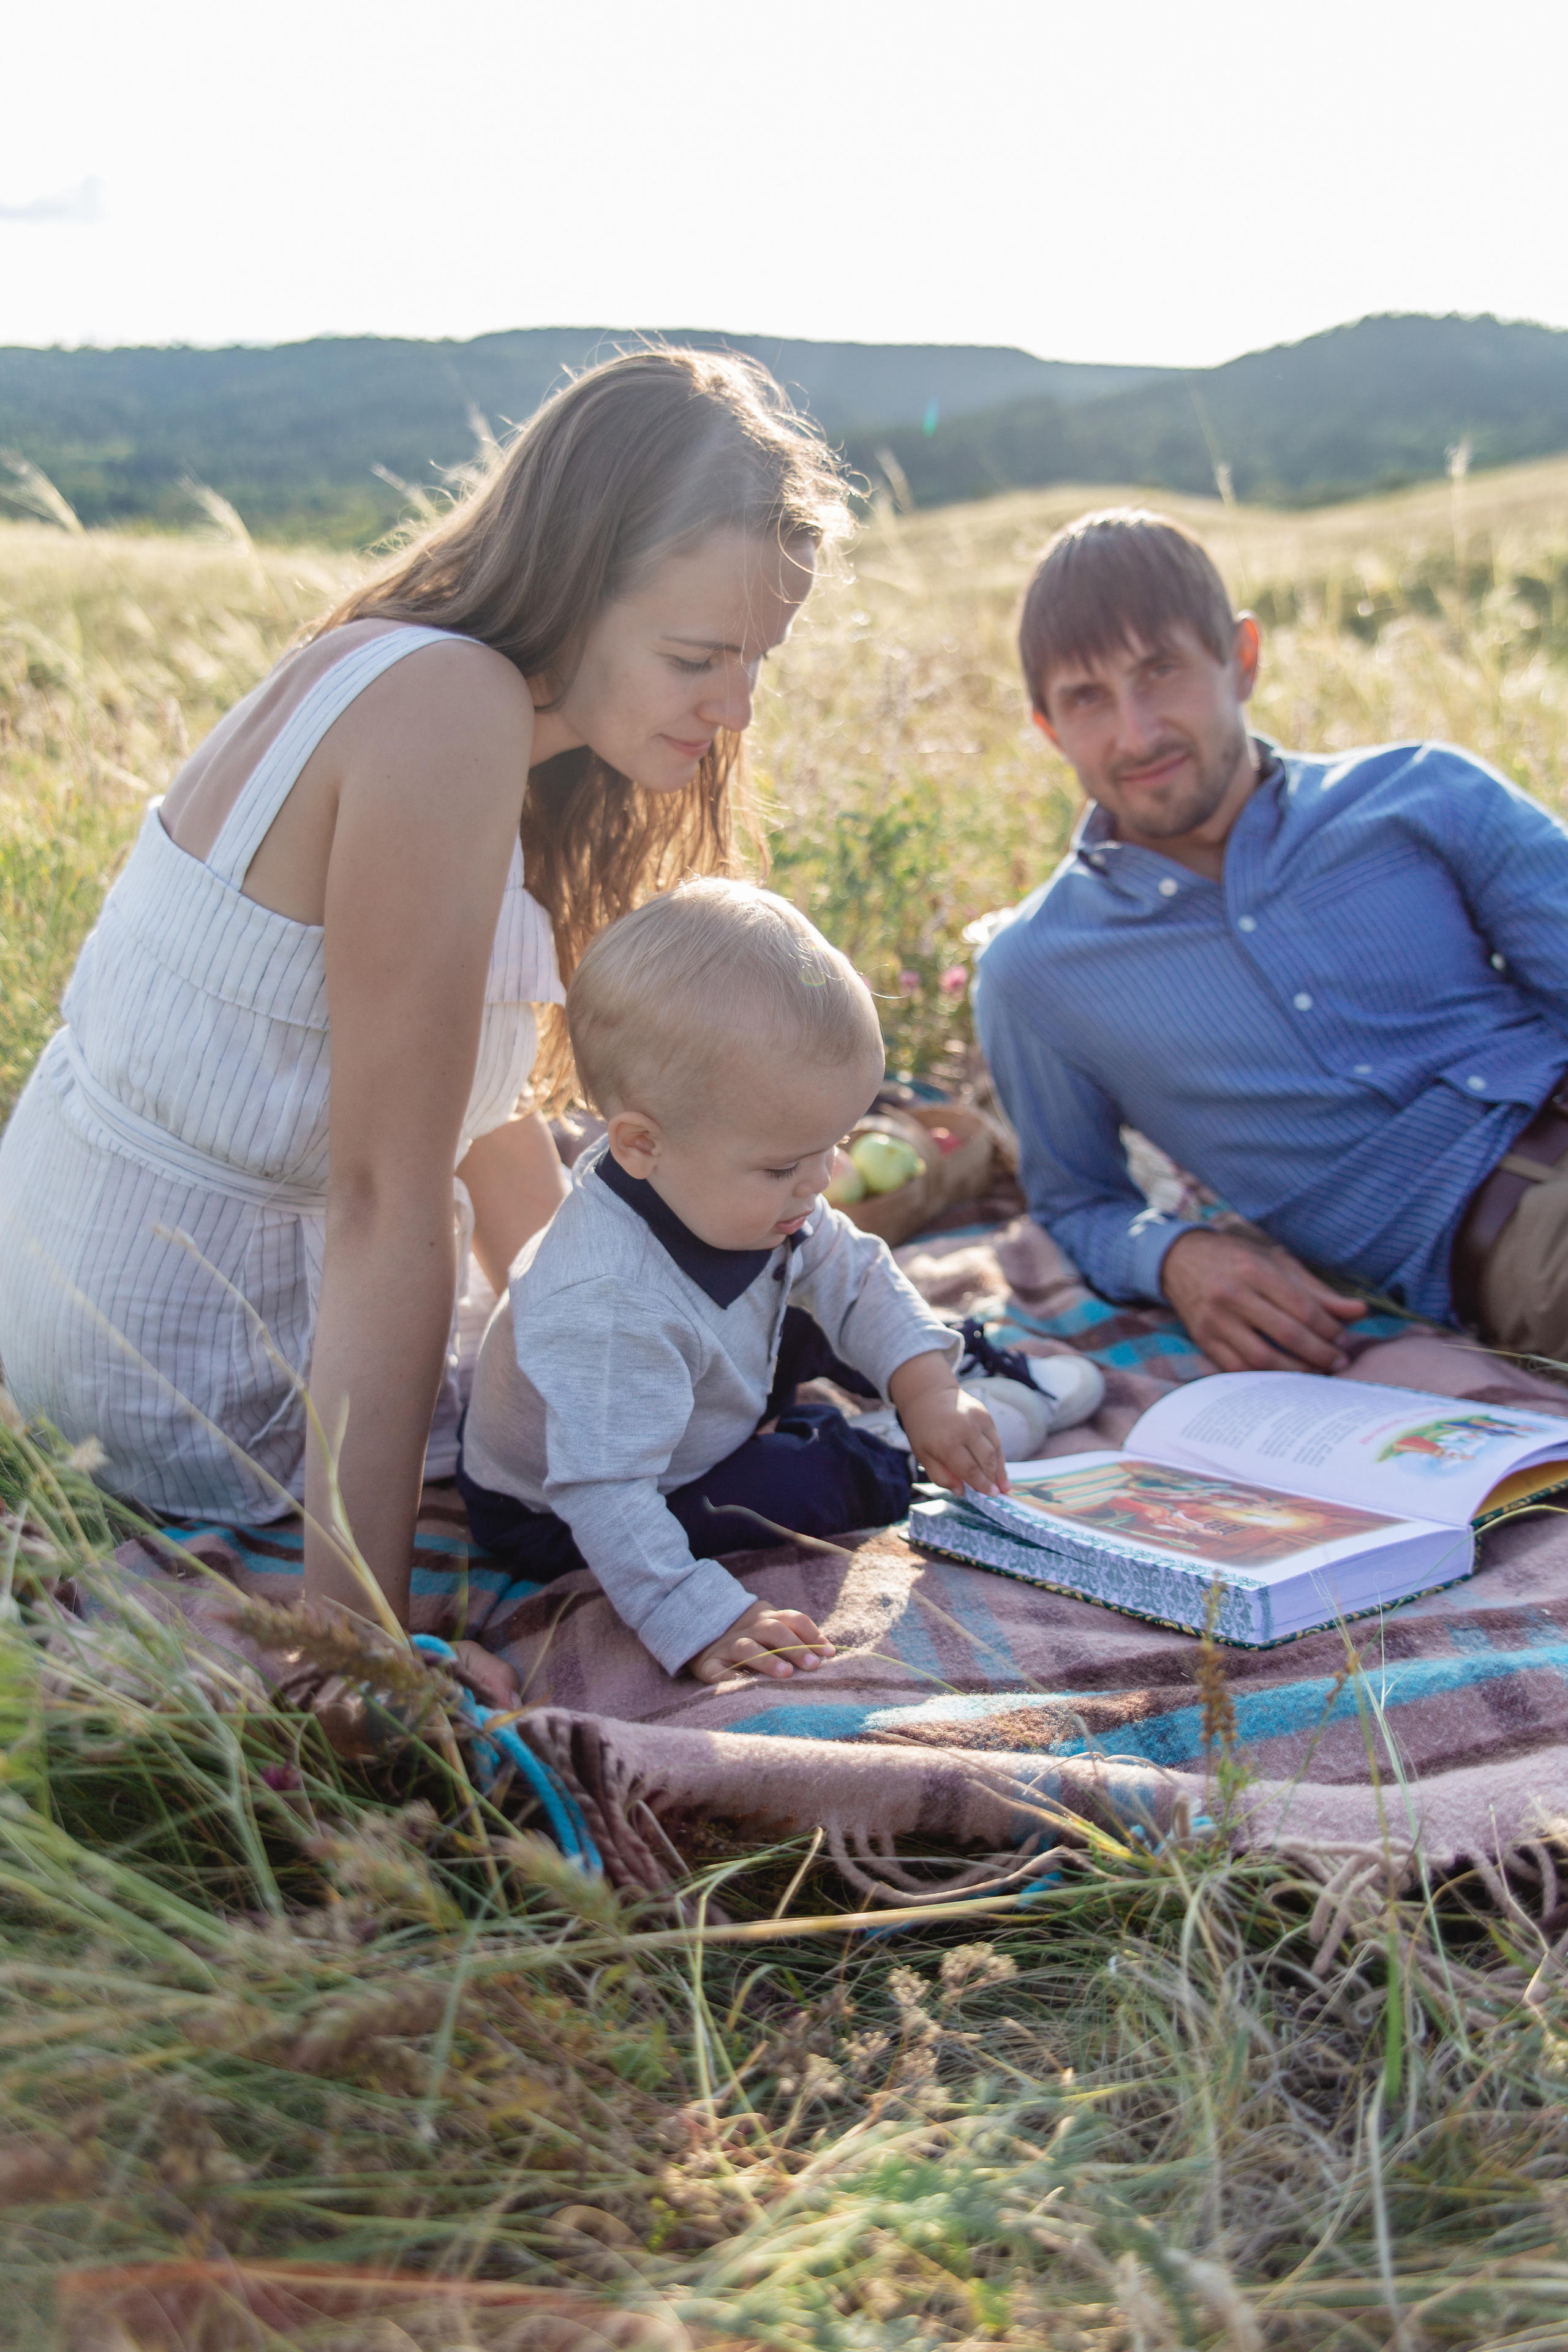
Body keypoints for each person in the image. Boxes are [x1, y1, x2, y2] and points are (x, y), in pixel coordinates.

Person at [0, 349, 846, 1699]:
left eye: (755, 660)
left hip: (87, 1276)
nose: (732, 707)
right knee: (744, 1431)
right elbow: (388, 1193)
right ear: (575, 580)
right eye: (696, 656)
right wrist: (362, 1644)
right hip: (181, 1356)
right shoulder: (443, 705)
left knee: (679, 1331)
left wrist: (574, 1320)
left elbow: (477, 1117)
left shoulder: (436, 691)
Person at [971, 506, 1568, 1375]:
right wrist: (1174, 1257)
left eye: (1161, 671)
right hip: (1520, 1250)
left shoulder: (1427, 794)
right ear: (1049, 729)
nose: (1136, 734)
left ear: (1242, 659)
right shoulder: (1037, 971)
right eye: (1089, 698)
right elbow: (1079, 1204)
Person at [458, 879, 1093, 1683]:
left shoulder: (733, 1192)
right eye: (785, 1163)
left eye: (836, 1146)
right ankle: (893, 1455)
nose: (822, 1180)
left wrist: (924, 1384)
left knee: (827, 1297)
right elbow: (607, 1497)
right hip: (572, 1505)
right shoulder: (607, 1305)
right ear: (639, 1145)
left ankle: (946, 1382)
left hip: (704, 1388)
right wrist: (696, 1617)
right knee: (796, 1487)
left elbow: (853, 1271)